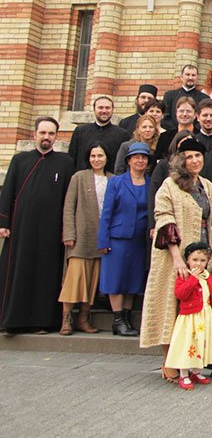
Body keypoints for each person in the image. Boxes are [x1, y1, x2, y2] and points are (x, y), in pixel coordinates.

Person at [141, 138, 212, 384]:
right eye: (189, 157)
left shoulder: (207, 186)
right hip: (174, 256)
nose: (194, 161)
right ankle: (169, 361)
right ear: (181, 160)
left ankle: (192, 363)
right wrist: (177, 259)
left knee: (198, 312)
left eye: (198, 156)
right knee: (174, 309)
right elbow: (164, 218)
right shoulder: (170, 185)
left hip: (203, 255)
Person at [0, 117, 74, 333]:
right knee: (16, 271)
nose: (46, 137)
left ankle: (41, 322)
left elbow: (68, 199)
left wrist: (66, 229)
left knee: (46, 274)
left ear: (56, 137)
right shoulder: (19, 160)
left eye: (51, 133)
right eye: (43, 133)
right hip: (21, 228)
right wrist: (3, 222)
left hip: (50, 230)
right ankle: (11, 321)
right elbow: (7, 192)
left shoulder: (65, 163)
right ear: (35, 134)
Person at [98, 142, 153, 337]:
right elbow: (106, 212)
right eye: (136, 157)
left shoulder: (150, 183)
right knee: (116, 279)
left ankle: (127, 318)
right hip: (118, 238)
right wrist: (103, 240)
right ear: (128, 160)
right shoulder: (116, 182)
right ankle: (118, 320)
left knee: (133, 280)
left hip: (140, 240)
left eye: (144, 157)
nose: (140, 160)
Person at [58, 143, 109, 335]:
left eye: (100, 156)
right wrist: (69, 233)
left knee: (92, 281)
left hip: (101, 237)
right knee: (74, 279)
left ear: (106, 158)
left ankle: (83, 318)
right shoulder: (78, 177)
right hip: (80, 236)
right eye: (93, 156)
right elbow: (69, 206)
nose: (97, 159)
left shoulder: (112, 179)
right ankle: (66, 318)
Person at [165, 241, 212, 390]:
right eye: (194, 260)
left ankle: (196, 371)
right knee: (188, 344)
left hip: (204, 317)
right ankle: (184, 374)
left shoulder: (206, 276)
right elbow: (180, 294)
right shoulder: (185, 276)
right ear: (187, 260)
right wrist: (193, 279)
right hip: (190, 318)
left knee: (201, 344)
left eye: (202, 260)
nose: (198, 264)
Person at [68, 95, 130, 172]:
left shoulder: (122, 134)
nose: (104, 111)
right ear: (94, 109)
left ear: (112, 110)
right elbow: (72, 159)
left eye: (107, 108)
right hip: (83, 177)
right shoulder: (80, 131)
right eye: (100, 107)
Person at [162, 64, 209, 129]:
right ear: (181, 77)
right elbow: (165, 118)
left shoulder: (204, 98)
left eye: (193, 75)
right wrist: (178, 131)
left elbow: (203, 119)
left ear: (197, 78)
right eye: (187, 74)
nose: (190, 78)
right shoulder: (169, 95)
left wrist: (191, 131)